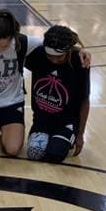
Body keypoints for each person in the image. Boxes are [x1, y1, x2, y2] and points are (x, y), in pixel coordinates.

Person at [0, 9, 91, 158]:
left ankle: (5, 132)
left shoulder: (23, 42)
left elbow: (56, 43)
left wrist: (81, 49)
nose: (0, 49)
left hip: (13, 103)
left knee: (12, 149)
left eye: (4, 46)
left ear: (13, 36)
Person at [24, 25, 90, 163]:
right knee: (34, 153)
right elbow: (18, 43)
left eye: (58, 57)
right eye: (50, 56)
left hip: (66, 122)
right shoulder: (38, 54)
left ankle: (64, 137)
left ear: (68, 51)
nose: (53, 60)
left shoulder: (79, 62)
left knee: (55, 154)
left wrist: (80, 134)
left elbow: (84, 100)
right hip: (42, 120)